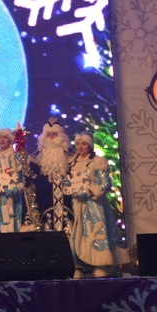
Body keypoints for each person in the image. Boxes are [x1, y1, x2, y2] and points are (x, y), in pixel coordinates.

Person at [62, 132, 126, 278]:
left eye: (83, 144)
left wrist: (89, 191)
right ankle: (79, 266)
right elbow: (68, 181)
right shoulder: (72, 162)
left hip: (94, 205)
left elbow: (105, 184)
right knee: (77, 235)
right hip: (77, 205)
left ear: (90, 145)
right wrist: (69, 188)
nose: (80, 147)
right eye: (78, 144)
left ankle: (100, 264)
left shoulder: (98, 162)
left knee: (95, 232)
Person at [31, 119, 73, 231]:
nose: (50, 138)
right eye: (48, 134)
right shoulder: (34, 159)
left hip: (68, 205)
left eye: (54, 134)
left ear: (61, 137)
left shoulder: (72, 157)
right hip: (45, 204)